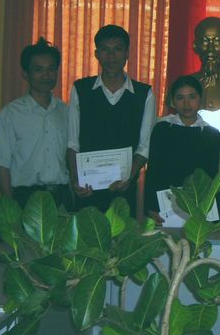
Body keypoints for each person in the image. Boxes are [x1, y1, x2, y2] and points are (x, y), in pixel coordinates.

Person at [67, 25, 156, 215]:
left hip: (124, 191)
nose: (111, 56)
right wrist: (76, 180)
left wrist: (129, 177)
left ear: (127, 53)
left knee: (123, 233)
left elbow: (144, 147)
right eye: (105, 50)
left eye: (117, 49)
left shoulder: (144, 94)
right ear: (96, 54)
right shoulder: (80, 89)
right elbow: (73, 143)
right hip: (87, 191)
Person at [0, 38, 71, 209]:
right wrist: (10, 208)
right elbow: (2, 164)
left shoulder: (66, 112)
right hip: (25, 199)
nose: (46, 76)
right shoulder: (11, 114)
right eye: (38, 69)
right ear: (26, 74)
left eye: (51, 69)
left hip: (62, 197)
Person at [144, 76, 220, 221]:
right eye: (180, 98)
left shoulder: (212, 134)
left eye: (192, 97)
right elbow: (153, 170)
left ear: (200, 99)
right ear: (173, 101)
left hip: (201, 208)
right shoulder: (162, 129)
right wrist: (150, 206)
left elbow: (214, 176)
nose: (186, 103)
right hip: (166, 207)